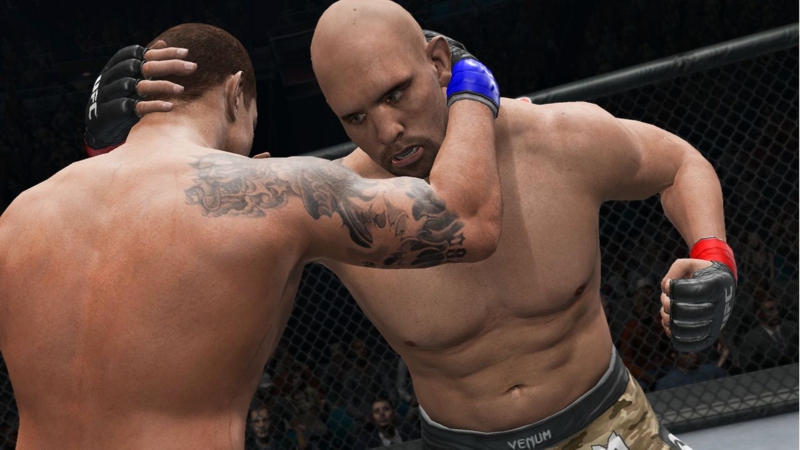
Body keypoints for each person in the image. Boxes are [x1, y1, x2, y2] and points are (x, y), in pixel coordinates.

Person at [91, 1, 737, 448]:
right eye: (356, 117)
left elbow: (679, 163)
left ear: (437, 60)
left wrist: (712, 255)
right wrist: (123, 153)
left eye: (396, 93)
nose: (387, 130)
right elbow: (182, 263)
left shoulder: (556, 141)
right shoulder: (337, 204)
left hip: (608, 423)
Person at [0, 22, 505, 448]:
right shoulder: (277, 191)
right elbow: (468, 219)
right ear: (236, 92)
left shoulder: (20, 214)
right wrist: (468, 81)